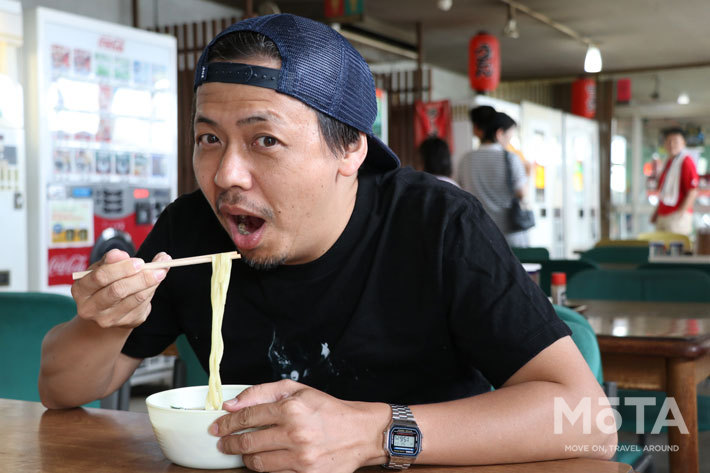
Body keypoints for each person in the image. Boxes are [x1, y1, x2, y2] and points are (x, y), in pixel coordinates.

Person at [39, 14, 615, 472]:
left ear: (351, 152)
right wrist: (103, 319)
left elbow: (588, 420)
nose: (224, 175)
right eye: (208, 138)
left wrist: (374, 433)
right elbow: (62, 391)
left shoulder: (436, 225)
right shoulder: (192, 228)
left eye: (265, 139)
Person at [458, 112, 531, 247]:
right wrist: (528, 174)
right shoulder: (511, 158)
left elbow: (461, 190)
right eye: (509, 137)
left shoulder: (466, 159)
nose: (509, 142)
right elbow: (521, 192)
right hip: (509, 232)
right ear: (499, 133)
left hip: (479, 231)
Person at [651, 127, 699, 235]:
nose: (672, 144)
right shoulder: (668, 162)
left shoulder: (686, 162)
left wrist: (680, 213)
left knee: (676, 251)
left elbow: (693, 192)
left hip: (676, 217)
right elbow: (663, 192)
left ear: (683, 143)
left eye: (675, 141)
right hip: (662, 215)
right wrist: (656, 213)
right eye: (669, 141)